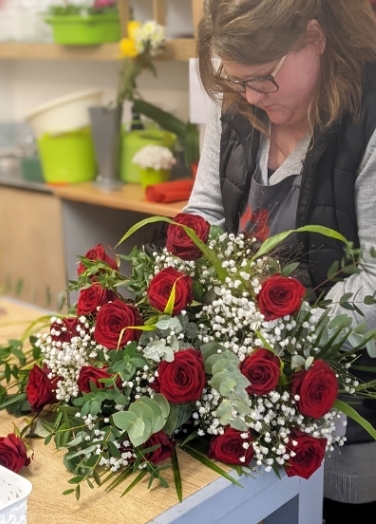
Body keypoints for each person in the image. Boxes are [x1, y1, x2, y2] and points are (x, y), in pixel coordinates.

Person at [182, 0, 376, 521]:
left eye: (263, 79)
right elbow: (204, 214)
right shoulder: (240, 107)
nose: (249, 95)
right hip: (248, 396)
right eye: (236, 80)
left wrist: (266, 347)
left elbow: (374, 283)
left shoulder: (367, 121)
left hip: (346, 416)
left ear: (314, 39)